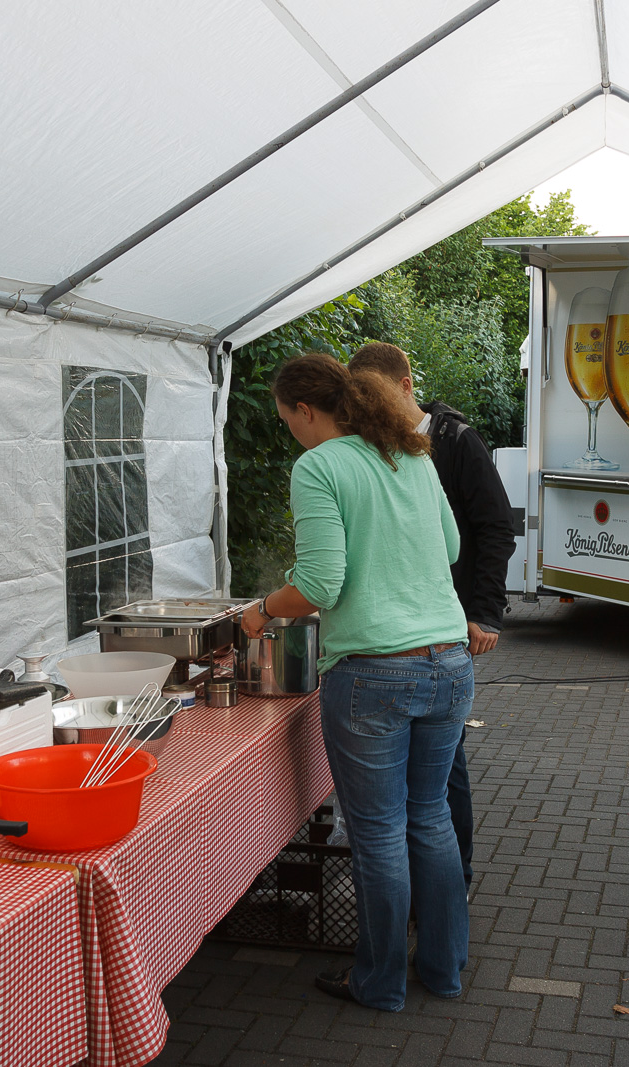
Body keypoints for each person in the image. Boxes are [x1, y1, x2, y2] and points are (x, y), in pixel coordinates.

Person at [241, 352, 473, 1012]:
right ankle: (445, 968)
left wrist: (259, 611)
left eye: (287, 419)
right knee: (430, 818)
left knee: (377, 835)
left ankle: (379, 983)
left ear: (305, 411)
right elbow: (450, 548)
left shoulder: (319, 465)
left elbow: (319, 584)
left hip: (374, 674)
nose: (291, 431)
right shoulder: (413, 454)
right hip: (449, 663)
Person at [347, 342, 516, 887]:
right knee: (430, 786)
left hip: (447, 627)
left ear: (405, 385)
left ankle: (452, 884)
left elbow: (494, 529)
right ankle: (432, 895)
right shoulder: (366, 448)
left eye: (379, 395)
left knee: (445, 778)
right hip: (399, 636)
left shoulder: (454, 442)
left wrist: (484, 612)